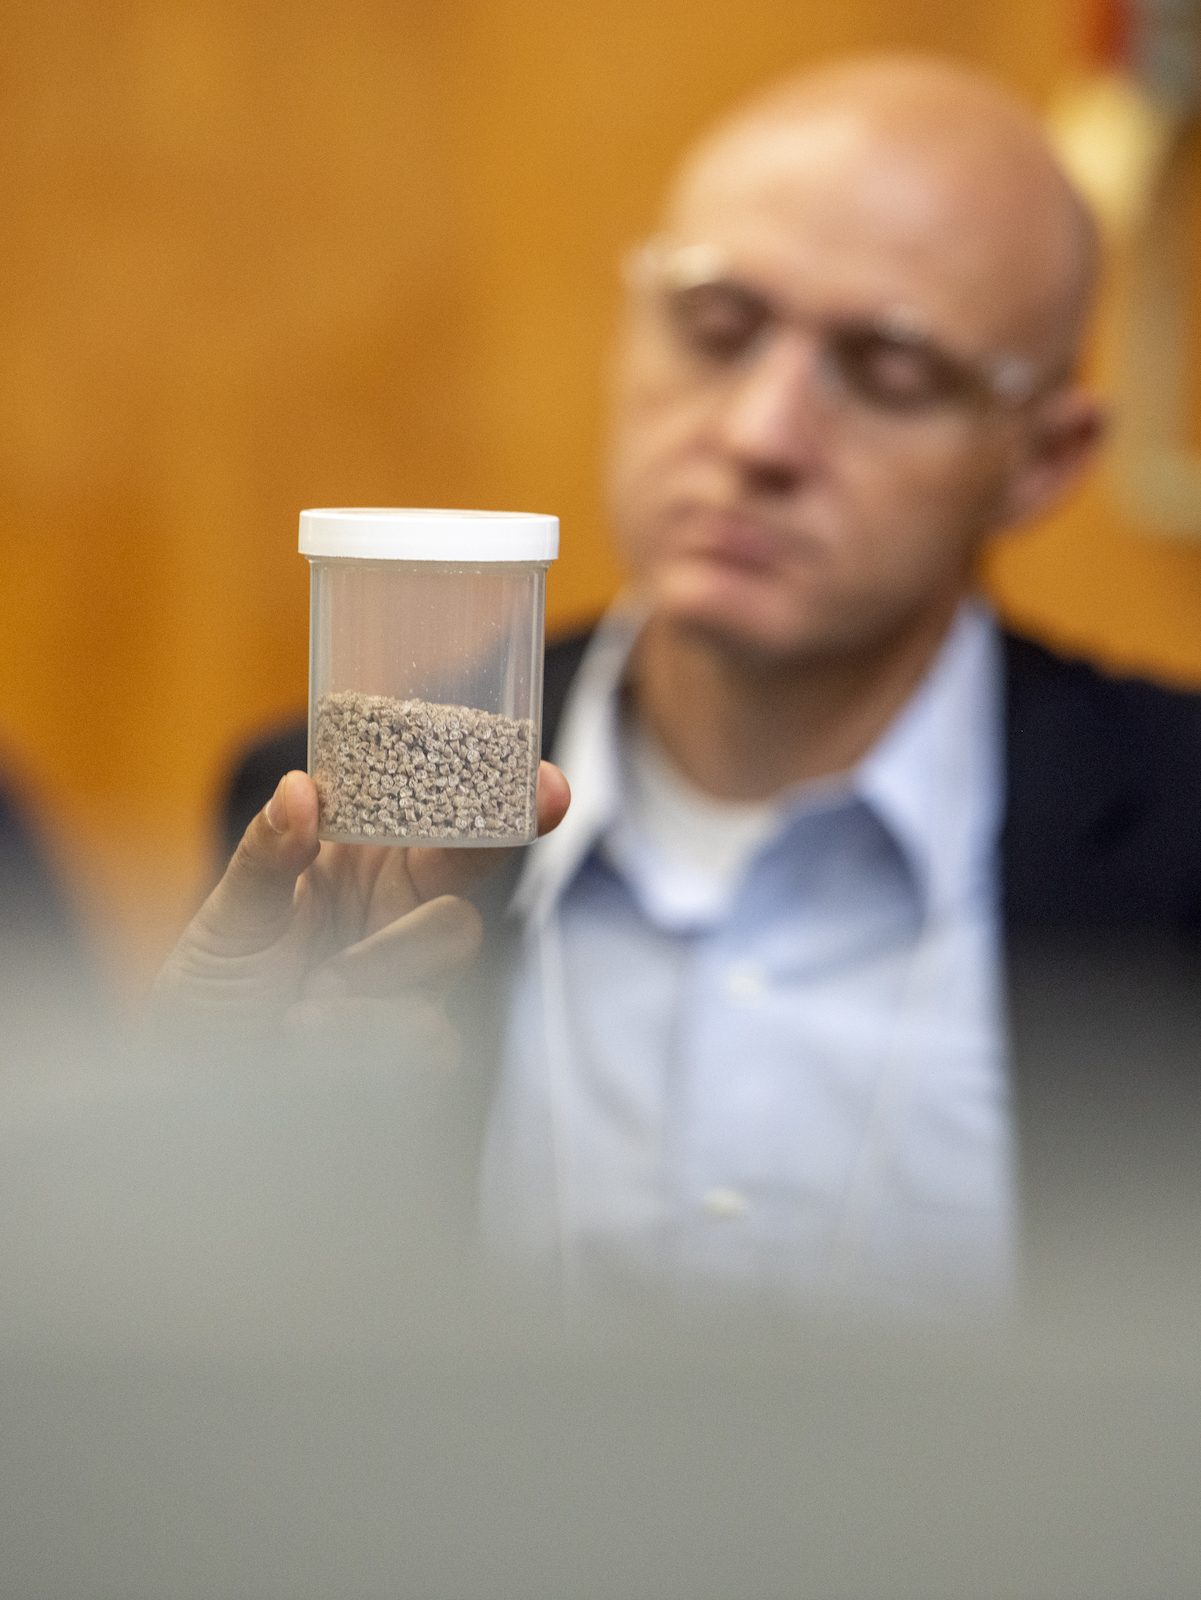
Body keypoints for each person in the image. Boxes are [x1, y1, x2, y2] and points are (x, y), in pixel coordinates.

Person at [221, 55, 1201, 1321]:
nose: (757, 435)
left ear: (1042, 459)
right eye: (716, 326)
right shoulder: (339, 811)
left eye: (889, 369)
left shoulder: (1178, 832)